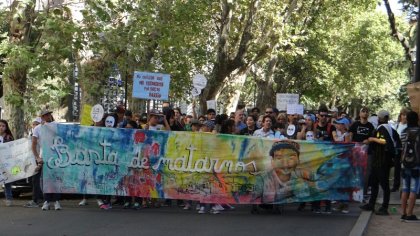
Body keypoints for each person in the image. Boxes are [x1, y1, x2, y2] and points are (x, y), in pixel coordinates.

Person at [360, 110, 401, 215]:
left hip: (382, 160)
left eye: (380, 117)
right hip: (378, 160)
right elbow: (397, 142)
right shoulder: (390, 129)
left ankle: (384, 207)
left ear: (384, 118)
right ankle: (371, 204)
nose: (379, 118)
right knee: (374, 183)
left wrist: (372, 139)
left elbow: (384, 141)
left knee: (384, 184)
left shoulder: (383, 128)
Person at [31, 109, 62, 211]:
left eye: (49, 114)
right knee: (46, 180)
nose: (48, 116)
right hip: (44, 157)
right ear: (42, 117)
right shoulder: (38, 129)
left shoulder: (56, 125)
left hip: (56, 156)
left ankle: (57, 201)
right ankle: (47, 201)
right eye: (45, 115)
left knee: (56, 180)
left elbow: (62, 136)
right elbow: (34, 144)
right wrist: (38, 158)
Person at [400, 111, 420, 222]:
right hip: (416, 165)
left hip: (405, 163)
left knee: (405, 189)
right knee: (413, 190)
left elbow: (402, 146)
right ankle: (410, 214)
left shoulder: (403, 132)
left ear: (407, 120)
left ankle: (403, 213)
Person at [0, 119, 15, 206]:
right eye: (0, 125)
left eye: (3, 126)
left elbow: (12, 149)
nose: (1, 127)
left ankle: (8, 198)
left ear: (6, 127)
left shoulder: (9, 137)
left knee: (6, 180)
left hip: (6, 162)